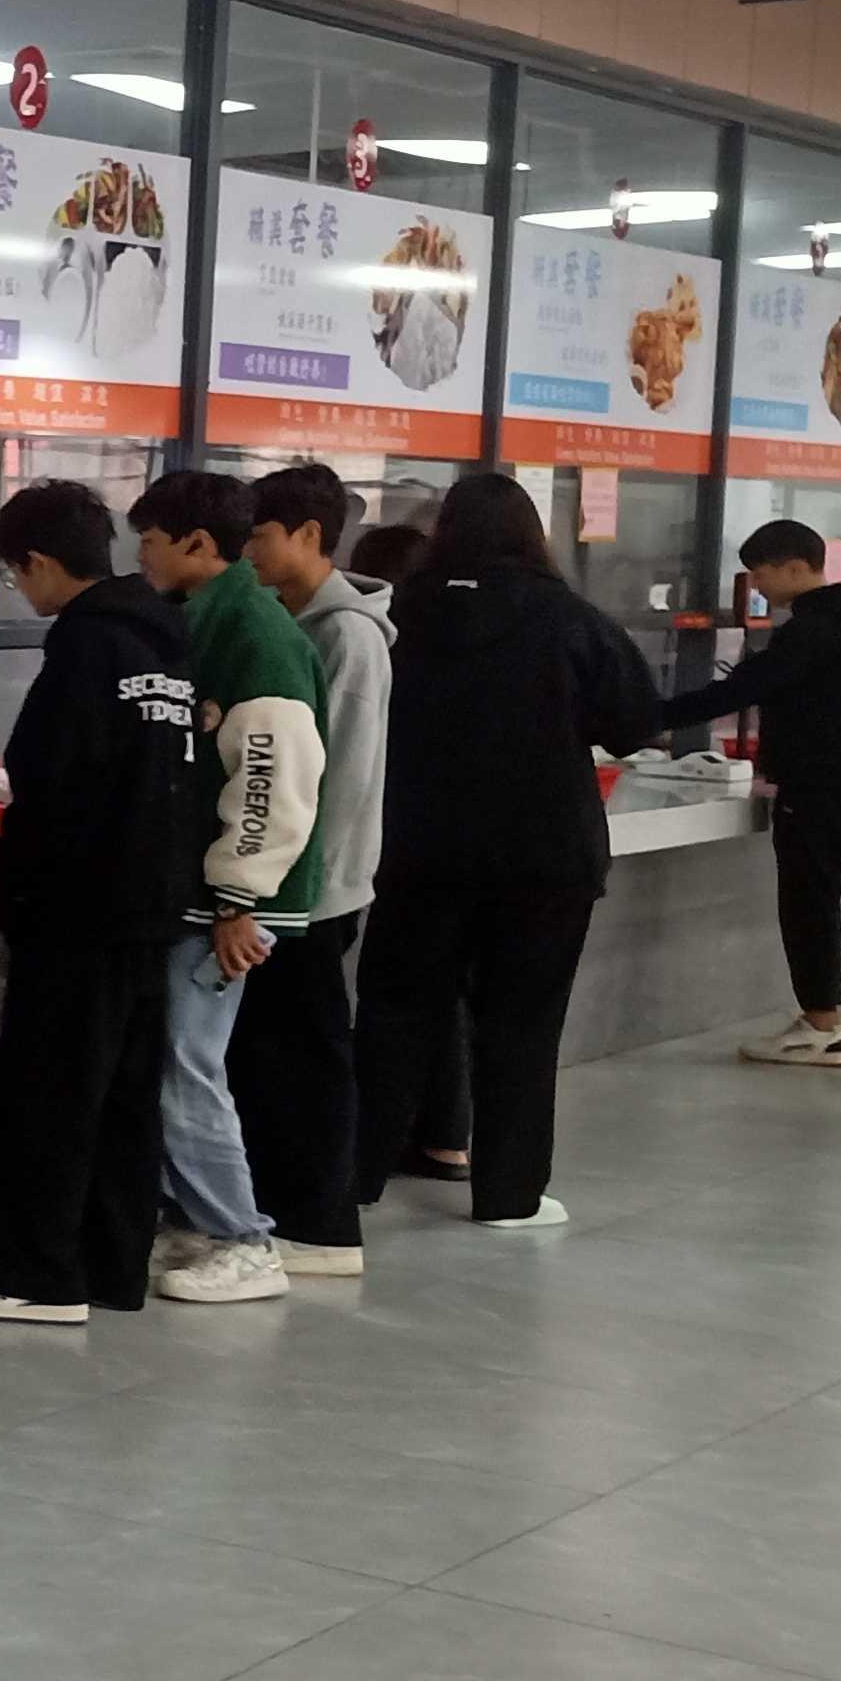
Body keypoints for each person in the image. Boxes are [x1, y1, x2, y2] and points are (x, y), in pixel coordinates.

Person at [356, 471, 659, 1229]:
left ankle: (350, 1182)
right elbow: (633, 725)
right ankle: (509, 1196)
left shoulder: (396, 614)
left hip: (417, 852)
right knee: (522, 1025)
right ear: (532, 533)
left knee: (394, 1015)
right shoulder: (572, 619)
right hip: (545, 857)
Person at [0, 479, 200, 1325]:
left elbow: (53, 784)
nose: (21, 592)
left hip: (79, 911)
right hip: (152, 906)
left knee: (46, 1095)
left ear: (41, 562)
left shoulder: (86, 647)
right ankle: (112, 1267)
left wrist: (18, 883)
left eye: (17, 576)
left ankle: (32, 1277)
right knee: (124, 1099)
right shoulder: (164, 642)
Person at [127, 471, 324, 1305]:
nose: (141, 556)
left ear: (198, 544)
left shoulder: (255, 634)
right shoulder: (206, 619)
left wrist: (240, 900)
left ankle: (245, 1239)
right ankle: (197, 1222)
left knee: (188, 1066)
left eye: (150, 541)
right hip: (202, 892)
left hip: (231, 902)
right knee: (174, 1061)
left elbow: (271, 779)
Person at [232, 464, 392, 1268]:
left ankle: (322, 1225)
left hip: (313, 892)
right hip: (284, 883)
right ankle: (281, 1209)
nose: (248, 552)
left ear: (309, 535)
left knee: (309, 1055)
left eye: (259, 536)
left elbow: (341, 781)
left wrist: (282, 891)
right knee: (271, 1058)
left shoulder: (347, 636)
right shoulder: (284, 618)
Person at [654, 518, 841, 1066]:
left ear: (796, 567)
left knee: (808, 902)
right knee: (823, 898)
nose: (755, 586)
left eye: (760, 574)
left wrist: (648, 716)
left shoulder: (809, 632)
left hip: (815, 785)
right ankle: (827, 1017)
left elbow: (740, 691)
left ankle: (821, 1027)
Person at [348, 515, 475, 1177]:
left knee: (396, 999)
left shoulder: (384, 641)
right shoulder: (464, 636)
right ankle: (446, 1136)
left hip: (405, 841)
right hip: (461, 839)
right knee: (447, 992)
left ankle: (373, 1150)